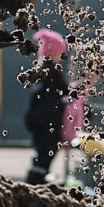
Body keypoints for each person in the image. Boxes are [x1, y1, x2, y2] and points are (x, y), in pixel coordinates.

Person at [23, 28, 70, 184]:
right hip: (48, 121)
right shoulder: (52, 72)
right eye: (60, 53)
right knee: (46, 153)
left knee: (41, 154)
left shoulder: (42, 70)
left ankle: (36, 180)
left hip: (39, 121)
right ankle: (36, 183)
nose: (62, 57)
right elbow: (67, 91)